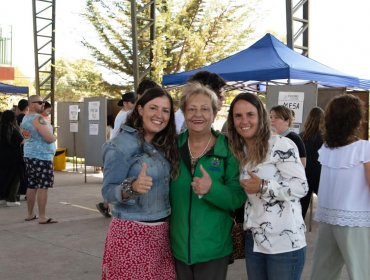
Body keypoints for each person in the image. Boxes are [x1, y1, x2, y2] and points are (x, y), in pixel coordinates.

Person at [227, 92, 308, 280]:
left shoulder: (281, 144)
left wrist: (264, 186)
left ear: (260, 117)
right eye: (238, 116)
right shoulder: (239, 150)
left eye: (250, 114)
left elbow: (301, 187)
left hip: (284, 243)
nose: (244, 121)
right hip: (255, 240)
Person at [101, 86, 179, 280]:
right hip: (131, 234)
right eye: (153, 108)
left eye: (165, 110)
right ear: (140, 109)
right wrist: (132, 187)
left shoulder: (164, 143)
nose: (159, 115)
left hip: (161, 235)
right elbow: (108, 192)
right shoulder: (120, 145)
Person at [170, 82, 246, 280]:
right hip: (177, 248)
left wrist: (212, 189)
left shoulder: (228, 149)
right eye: (192, 109)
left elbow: (238, 197)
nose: (198, 115)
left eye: (205, 109)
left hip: (214, 250)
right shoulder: (172, 147)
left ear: (214, 113)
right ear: (184, 112)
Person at [311, 94, 370, 280]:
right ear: (356, 120)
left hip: (328, 217)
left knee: (323, 272)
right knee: (362, 272)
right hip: (356, 219)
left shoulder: (326, 149)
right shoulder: (364, 148)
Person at [21, 95, 57, 224]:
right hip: (41, 156)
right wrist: (54, 136)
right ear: (31, 104)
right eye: (40, 102)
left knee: (32, 185)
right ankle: (42, 216)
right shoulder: (38, 118)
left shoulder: (26, 118)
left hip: (29, 155)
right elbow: (49, 138)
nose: (43, 104)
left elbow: (26, 136)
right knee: (43, 186)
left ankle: (30, 214)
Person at [299, 107, 324, 218]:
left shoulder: (301, 136)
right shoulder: (326, 137)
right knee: (327, 208)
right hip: (321, 176)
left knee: (301, 211)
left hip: (304, 175)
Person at [0, 110, 24, 206]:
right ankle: (11, 199)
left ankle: (2, 198)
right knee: (15, 178)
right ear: (13, 119)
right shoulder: (13, 129)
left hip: (2, 157)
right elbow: (22, 141)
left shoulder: (1, 127)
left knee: (3, 177)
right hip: (14, 157)